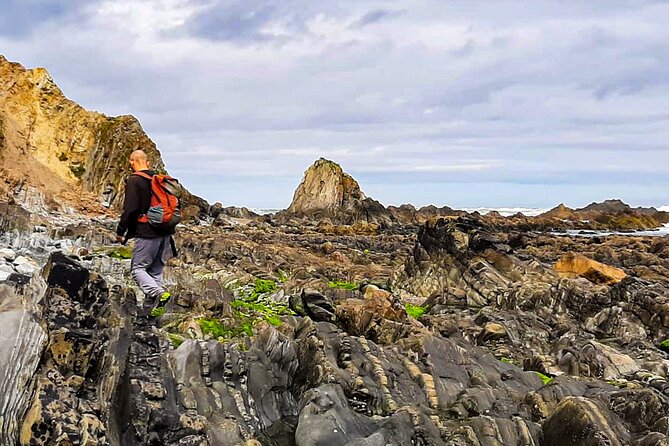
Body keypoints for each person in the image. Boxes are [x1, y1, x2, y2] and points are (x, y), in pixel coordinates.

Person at [116, 149, 173, 316]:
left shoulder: (134, 180)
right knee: (154, 271)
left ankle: (160, 294)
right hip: (165, 232)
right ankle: (150, 313)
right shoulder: (158, 179)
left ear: (132, 162)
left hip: (147, 232)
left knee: (138, 269)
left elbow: (131, 209)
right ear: (147, 162)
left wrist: (121, 231)